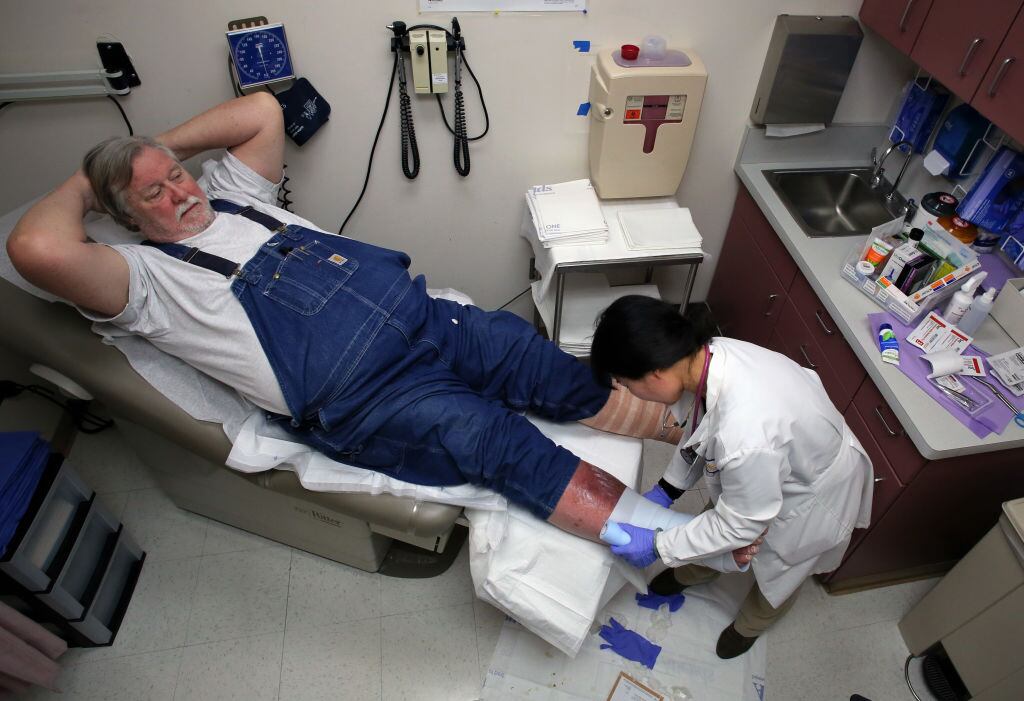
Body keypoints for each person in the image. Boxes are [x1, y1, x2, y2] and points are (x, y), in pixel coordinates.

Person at [7, 94, 759, 569]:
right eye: (155, 193)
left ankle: (701, 438)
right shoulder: (141, 280)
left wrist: (154, 152)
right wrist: (89, 179)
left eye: (175, 175)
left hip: (425, 318)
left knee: (529, 354)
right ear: (122, 220)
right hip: (369, 394)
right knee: (496, 441)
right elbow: (35, 248)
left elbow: (264, 111)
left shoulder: (227, 192)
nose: (180, 193)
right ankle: (658, 541)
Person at [591, 295, 874, 659]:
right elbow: (702, 430)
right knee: (716, 519)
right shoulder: (709, 356)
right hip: (768, 460)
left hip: (809, 496)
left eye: (627, 384)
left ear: (655, 373)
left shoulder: (746, 434)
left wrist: (659, 547)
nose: (631, 393)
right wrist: (667, 489)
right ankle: (696, 571)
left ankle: (751, 624)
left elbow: (737, 524)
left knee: (781, 569)